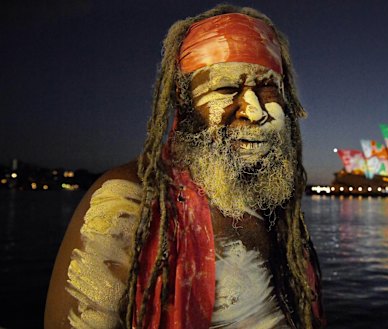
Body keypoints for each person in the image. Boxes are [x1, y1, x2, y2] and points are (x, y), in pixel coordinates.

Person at [45, 5, 325, 329]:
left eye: (267, 88)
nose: (254, 110)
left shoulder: (273, 204)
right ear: (185, 98)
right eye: (226, 89)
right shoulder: (128, 202)